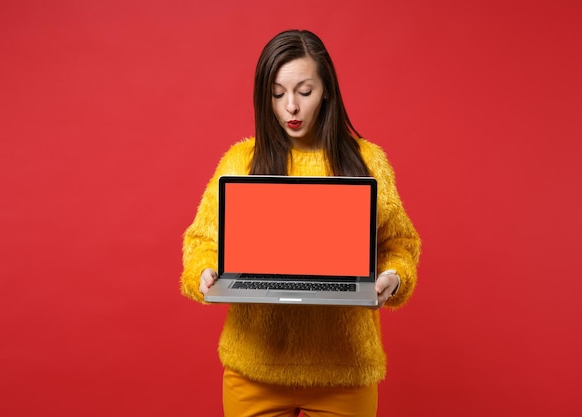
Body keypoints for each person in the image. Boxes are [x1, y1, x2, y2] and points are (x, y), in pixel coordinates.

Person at [180, 29, 421, 417]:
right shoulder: (241, 161)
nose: (291, 106)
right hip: (254, 370)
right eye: (277, 94)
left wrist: (393, 276)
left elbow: (399, 244)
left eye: (304, 92)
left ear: (326, 89)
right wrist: (204, 271)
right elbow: (201, 242)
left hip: (344, 372)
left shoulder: (368, 161)